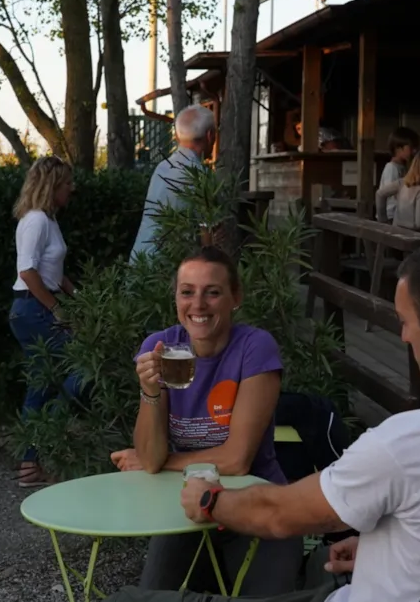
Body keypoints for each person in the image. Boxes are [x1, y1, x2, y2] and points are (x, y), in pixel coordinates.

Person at [110, 235, 420, 602]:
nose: (404, 338)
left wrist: (210, 498)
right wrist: (385, 547)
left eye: (405, 323)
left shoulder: (412, 442)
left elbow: (276, 514)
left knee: (127, 598)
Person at [110, 246, 304, 596]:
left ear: (235, 298)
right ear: (176, 298)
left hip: (257, 502)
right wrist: (149, 390)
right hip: (186, 507)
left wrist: (163, 462)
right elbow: (150, 459)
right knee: (156, 595)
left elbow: (236, 460)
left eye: (212, 292)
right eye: (187, 292)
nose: (197, 305)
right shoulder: (161, 347)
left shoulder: (254, 348)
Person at [9, 156, 83, 488]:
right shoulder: (36, 220)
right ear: (52, 185)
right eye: (67, 183)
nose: (72, 188)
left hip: (35, 307)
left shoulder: (49, 221)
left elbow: (53, 271)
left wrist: (78, 296)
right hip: (33, 309)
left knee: (39, 386)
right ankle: (46, 437)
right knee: (85, 366)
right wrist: (57, 309)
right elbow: (27, 272)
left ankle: (29, 466)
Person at [129, 105, 217, 260]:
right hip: (166, 268)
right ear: (210, 135)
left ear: (177, 136)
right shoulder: (201, 176)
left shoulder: (162, 167)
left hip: (139, 261)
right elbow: (208, 239)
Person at [378, 127, 420, 222]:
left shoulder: (403, 167)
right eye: (411, 148)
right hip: (391, 216)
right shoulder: (391, 168)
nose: (415, 151)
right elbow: (389, 194)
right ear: (398, 148)